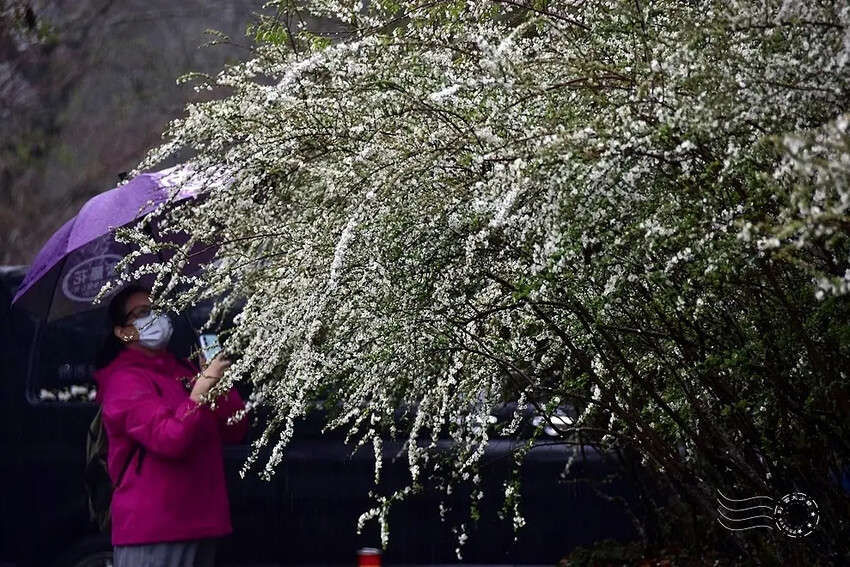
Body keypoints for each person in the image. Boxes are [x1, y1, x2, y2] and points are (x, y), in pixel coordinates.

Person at [94, 285, 249, 567]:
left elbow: (235, 428)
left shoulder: (185, 371)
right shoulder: (124, 382)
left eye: (157, 310)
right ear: (123, 331)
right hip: (155, 528)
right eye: (142, 313)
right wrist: (199, 394)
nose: (155, 318)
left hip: (202, 522)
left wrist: (219, 385)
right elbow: (170, 439)